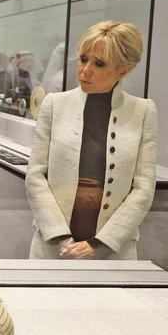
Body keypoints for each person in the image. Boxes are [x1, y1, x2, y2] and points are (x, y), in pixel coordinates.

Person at [26, 20, 157, 260]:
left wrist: (99, 243)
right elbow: (35, 175)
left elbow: (143, 187)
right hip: (53, 247)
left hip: (114, 252)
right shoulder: (54, 104)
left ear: (123, 70)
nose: (85, 70)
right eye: (83, 59)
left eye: (99, 64)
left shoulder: (143, 111)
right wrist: (61, 238)